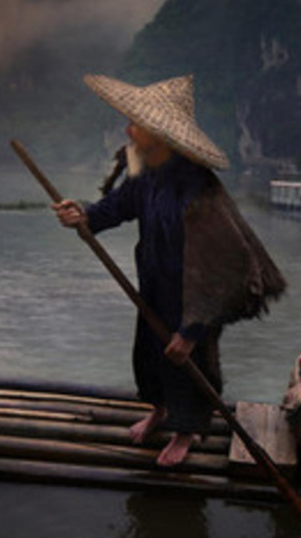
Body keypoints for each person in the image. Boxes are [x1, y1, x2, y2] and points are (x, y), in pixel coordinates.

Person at [55, 74, 286, 467]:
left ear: (159, 134)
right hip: (155, 283)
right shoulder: (146, 173)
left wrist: (193, 329)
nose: (128, 129)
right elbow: (119, 205)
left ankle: (186, 430)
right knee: (149, 352)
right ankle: (160, 410)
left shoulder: (198, 188)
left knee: (188, 361)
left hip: (194, 295)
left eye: (136, 124)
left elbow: (228, 265)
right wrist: (83, 216)